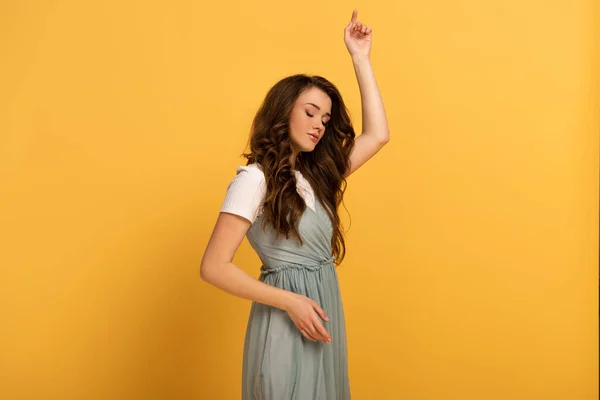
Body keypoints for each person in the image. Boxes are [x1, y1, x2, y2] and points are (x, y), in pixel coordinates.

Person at [200, 9, 389, 400]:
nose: (319, 124)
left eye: (326, 117)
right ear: (283, 111)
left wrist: (360, 58)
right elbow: (213, 267)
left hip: (322, 318)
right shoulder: (253, 180)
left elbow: (377, 135)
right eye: (309, 112)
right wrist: (291, 302)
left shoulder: (315, 178)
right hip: (285, 321)